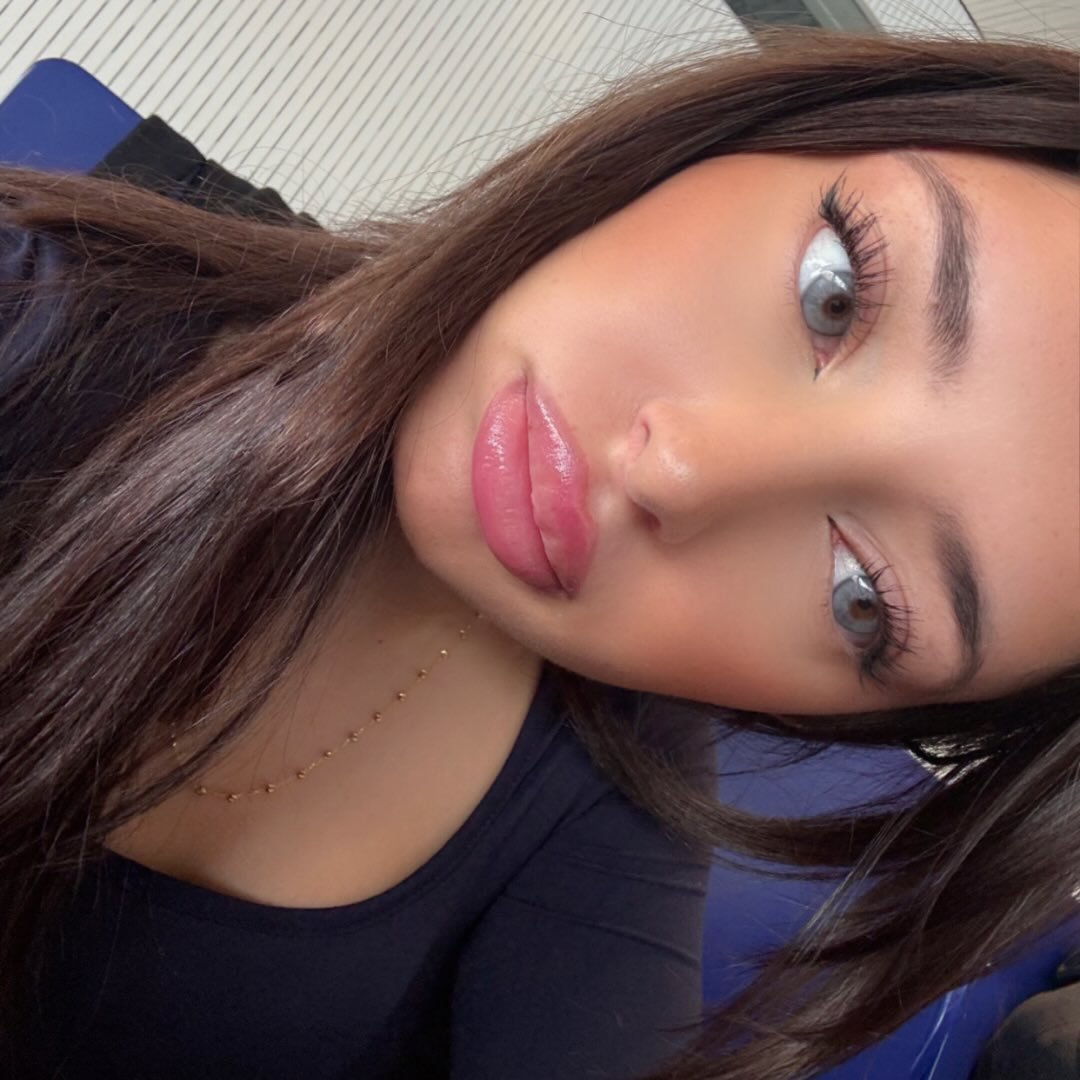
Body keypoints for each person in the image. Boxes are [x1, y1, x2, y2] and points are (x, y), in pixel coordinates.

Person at [0, 23, 1076, 1080]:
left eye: (861, 599)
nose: (679, 472)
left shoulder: (610, 810)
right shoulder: (35, 313)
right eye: (833, 296)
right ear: (764, 127)